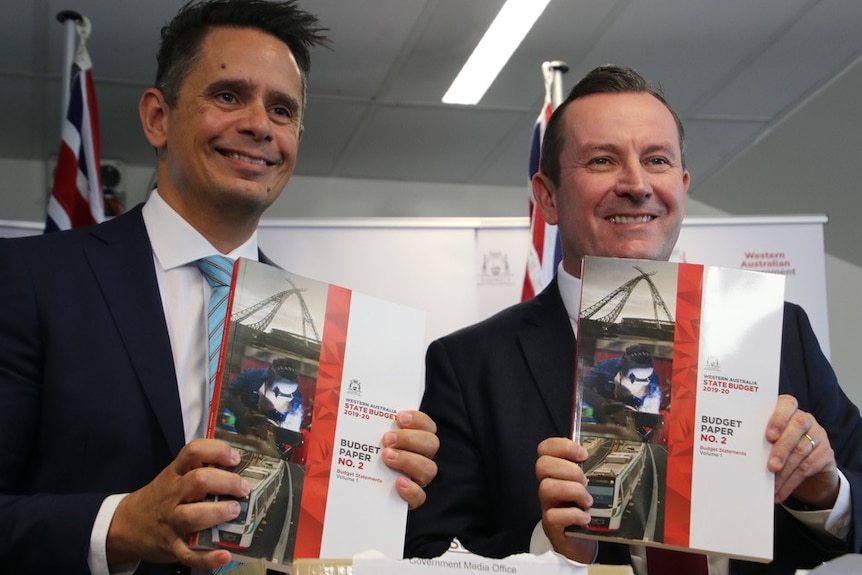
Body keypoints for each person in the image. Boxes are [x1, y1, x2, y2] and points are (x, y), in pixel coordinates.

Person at [0, 1, 438, 573]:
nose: (259, 125)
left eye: (281, 110)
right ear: (158, 117)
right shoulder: (31, 280)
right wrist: (119, 524)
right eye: (229, 95)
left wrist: (389, 481)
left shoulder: (332, 333)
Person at [404, 65, 862, 574]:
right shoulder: (470, 365)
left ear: (683, 187)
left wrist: (826, 493)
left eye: (657, 160)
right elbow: (429, 554)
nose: (637, 184)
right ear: (548, 197)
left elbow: (854, 497)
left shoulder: (777, 331)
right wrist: (550, 549)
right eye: (602, 160)